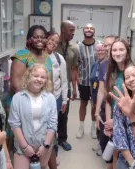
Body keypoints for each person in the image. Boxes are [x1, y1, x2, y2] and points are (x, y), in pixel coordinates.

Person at [8, 64, 57, 169]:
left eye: (42, 77)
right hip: (23, 146)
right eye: (36, 76)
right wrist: (25, 147)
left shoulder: (50, 98)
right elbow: (14, 124)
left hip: (43, 145)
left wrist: (45, 145)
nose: (39, 79)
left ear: (46, 80)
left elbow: (52, 124)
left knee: (41, 166)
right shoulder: (18, 98)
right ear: (29, 76)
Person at [105, 39, 131, 169]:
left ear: (127, 52)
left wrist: (115, 122)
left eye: (121, 49)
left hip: (129, 121)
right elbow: (109, 100)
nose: (118, 53)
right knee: (115, 154)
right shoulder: (112, 72)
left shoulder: (132, 72)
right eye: (114, 50)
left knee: (126, 157)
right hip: (116, 121)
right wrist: (109, 121)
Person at [94, 35, 118, 169]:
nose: (108, 48)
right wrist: (97, 112)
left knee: (119, 147)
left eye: (111, 45)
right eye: (106, 45)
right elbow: (101, 91)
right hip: (106, 110)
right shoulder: (103, 64)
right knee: (106, 143)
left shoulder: (125, 66)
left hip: (120, 111)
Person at [44, 30, 68, 165]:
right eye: (51, 40)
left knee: (53, 127)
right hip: (41, 98)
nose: (53, 44)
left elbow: (64, 80)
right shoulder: (37, 56)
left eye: (56, 42)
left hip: (56, 98)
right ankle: (42, 153)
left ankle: (54, 156)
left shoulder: (59, 58)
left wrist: (65, 100)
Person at [54, 20, 79, 151]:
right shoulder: (53, 45)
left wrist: (74, 89)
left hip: (66, 87)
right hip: (51, 87)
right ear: (63, 30)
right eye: (71, 30)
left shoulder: (74, 48)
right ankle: (50, 140)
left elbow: (74, 69)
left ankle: (62, 139)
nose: (74, 33)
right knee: (51, 115)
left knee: (64, 114)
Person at [76, 23, 101, 139]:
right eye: (87, 28)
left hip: (96, 81)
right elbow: (75, 66)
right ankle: (81, 127)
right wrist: (77, 80)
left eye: (91, 28)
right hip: (84, 81)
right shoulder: (78, 47)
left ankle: (93, 127)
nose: (89, 30)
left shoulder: (99, 46)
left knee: (94, 105)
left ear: (94, 31)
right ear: (83, 31)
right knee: (83, 103)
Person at [90, 43, 106, 156]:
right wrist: (92, 98)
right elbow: (92, 81)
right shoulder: (95, 63)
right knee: (98, 121)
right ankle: (99, 143)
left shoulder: (107, 65)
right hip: (95, 95)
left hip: (105, 99)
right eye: (98, 50)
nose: (100, 52)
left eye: (102, 50)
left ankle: (102, 145)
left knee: (103, 121)